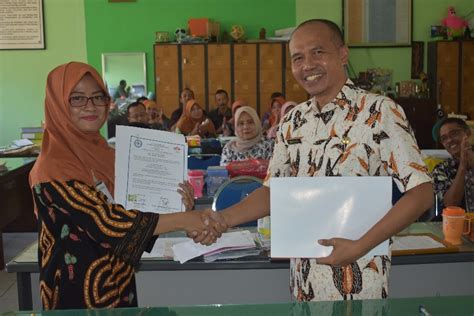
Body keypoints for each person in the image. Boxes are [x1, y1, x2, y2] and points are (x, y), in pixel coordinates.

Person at [195, 19, 433, 301]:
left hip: (360, 280)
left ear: (343, 54)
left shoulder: (379, 112)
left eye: (318, 52)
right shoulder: (293, 122)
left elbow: (421, 192)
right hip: (303, 282)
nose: (307, 64)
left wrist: (359, 246)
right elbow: (273, 193)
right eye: (298, 57)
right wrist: (222, 219)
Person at [29, 62, 222, 310]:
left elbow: (135, 211)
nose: (90, 106)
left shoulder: (107, 156)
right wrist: (184, 219)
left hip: (119, 284)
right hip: (75, 293)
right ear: (57, 103)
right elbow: (107, 223)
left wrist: (176, 205)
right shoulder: (51, 169)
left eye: (97, 97)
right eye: (77, 98)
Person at [432, 117, 473, 213]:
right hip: (459, 225)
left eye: (454, 133)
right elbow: (451, 204)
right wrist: (463, 165)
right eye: (444, 138)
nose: (449, 140)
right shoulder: (441, 170)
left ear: (467, 133)